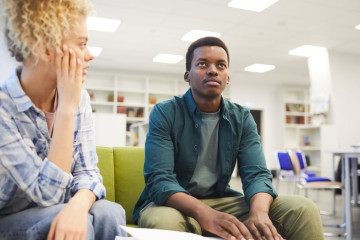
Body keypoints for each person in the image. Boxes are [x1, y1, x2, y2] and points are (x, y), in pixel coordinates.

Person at [133, 37, 324, 240]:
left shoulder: (241, 117)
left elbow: (257, 174)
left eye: (221, 65)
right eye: (202, 64)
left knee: (303, 208)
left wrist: (258, 213)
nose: (213, 70)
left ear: (227, 77)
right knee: (165, 224)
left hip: (221, 200)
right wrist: (204, 213)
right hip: (171, 203)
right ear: (187, 75)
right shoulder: (165, 112)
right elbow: (160, 180)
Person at [0, 0, 126, 239]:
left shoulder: (80, 97)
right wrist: (66, 109)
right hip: (8, 220)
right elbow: (49, 194)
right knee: (62, 218)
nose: (89, 55)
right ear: (45, 48)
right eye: (81, 44)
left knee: (110, 212)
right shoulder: (3, 108)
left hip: (59, 205)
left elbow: (89, 174)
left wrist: (77, 207)